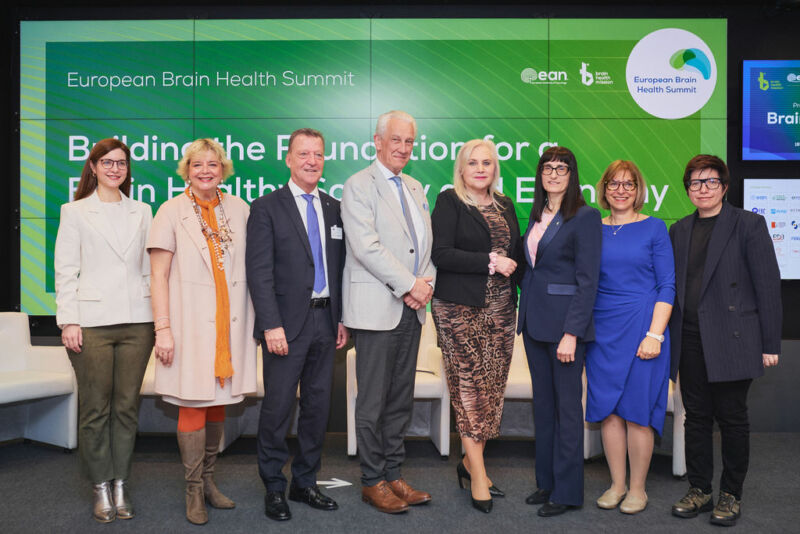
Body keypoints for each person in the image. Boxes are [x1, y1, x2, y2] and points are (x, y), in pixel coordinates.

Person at [147, 138, 257, 525]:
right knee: (192, 403)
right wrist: (163, 329)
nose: (205, 171)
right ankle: (193, 489)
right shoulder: (170, 211)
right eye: (197, 165)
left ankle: (209, 482)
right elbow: (157, 276)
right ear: (187, 171)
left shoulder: (239, 208)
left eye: (213, 164)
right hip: (188, 326)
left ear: (223, 170)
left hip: (230, 327)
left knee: (217, 402)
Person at [668, 155, 781, 526]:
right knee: (696, 418)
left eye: (711, 181)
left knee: (732, 419)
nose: (703, 189)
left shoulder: (748, 224)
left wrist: (770, 343)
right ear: (688, 189)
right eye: (695, 182)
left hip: (733, 337)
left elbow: (768, 286)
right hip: (689, 337)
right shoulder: (679, 230)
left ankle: (731, 493)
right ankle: (700, 489)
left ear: (725, 186)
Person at [246, 128, 348, 521]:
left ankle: (304, 481)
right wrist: (270, 325)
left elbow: (339, 268)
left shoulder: (334, 207)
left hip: (326, 320)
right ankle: (274, 486)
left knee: (317, 408)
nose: (311, 161)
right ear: (288, 159)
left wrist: (341, 318)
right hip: (285, 326)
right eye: (303, 154)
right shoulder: (266, 207)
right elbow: (259, 273)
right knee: (278, 408)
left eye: (318, 154)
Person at [54, 138, 155, 523]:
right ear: (93, 167)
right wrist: (69, 320)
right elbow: (66, 270)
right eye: (108, 162)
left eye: (121, 163)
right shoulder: (74, 211)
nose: (115, 169)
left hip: (138, 321)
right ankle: (100, 485)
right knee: (95, 408)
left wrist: (160, 318)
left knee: (127, 407)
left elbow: (150, 269)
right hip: (91, 323)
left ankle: (120, 483)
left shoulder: (143, 211)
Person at [341, 110, 436, 514]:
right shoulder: (358, 185)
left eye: (409, 141)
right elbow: (366, 247)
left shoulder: (415, 186)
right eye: (396, 139)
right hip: (376, 309)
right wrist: (411, 285)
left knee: (400, 400)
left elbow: (425, 245)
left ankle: (394, 474)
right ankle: (372, 480)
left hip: (411, 310)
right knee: (372, 403)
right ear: (377, 142)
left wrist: (425, 285)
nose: (403, 147)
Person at [430, 139, 523, 513]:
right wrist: (490, 261)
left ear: (495, 168)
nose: (480, 169)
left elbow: (517, 255)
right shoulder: (450, 201)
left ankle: (470, 464)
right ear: (461, 168)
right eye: (473, 162)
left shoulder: (505, 204)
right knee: (469, 390)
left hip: (501, 311)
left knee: (491, 392)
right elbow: (441, 253)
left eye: (487, 162)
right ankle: (480, 477)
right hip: (458, 309)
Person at [585, 160, 675, 514]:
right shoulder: (593, 228)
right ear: (604, 189)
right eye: (613, 184)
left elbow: (667, 285)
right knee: (608, 412)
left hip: (643, 328)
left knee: (638, 412)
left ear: (638, 190)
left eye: (628, 184)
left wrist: (656, 334)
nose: (620, 190)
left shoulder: (654, 227)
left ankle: (638, 489)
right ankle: (617, 484)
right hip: (602, 331)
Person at [517, 146, 602, 517]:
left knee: (567, 411)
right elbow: (533, 270)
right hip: (534, 325)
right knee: (544, 408)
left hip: (565, 330)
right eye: (547, 168)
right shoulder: (537, 214)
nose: (553, 173)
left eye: (561, 168)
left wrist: (572, 333)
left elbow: (588, 281)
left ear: (572, 175)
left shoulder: (585, 216)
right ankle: (547, 482)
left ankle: (567, 492)